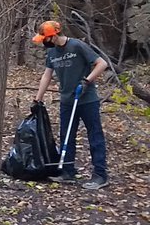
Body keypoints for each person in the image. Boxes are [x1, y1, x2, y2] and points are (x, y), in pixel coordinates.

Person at [33, 20, 110, 189]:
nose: (44, 42)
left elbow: (102, 64)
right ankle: (68, 172)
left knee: (94, 136)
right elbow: (47, 75)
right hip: (67, 100)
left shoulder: (76, 46)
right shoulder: (52, 53)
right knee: (66, 135)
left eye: (45, 38)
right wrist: (38, 98)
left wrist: (87, 81)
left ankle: (100, 175)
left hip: (87, 99)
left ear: (53, 36)